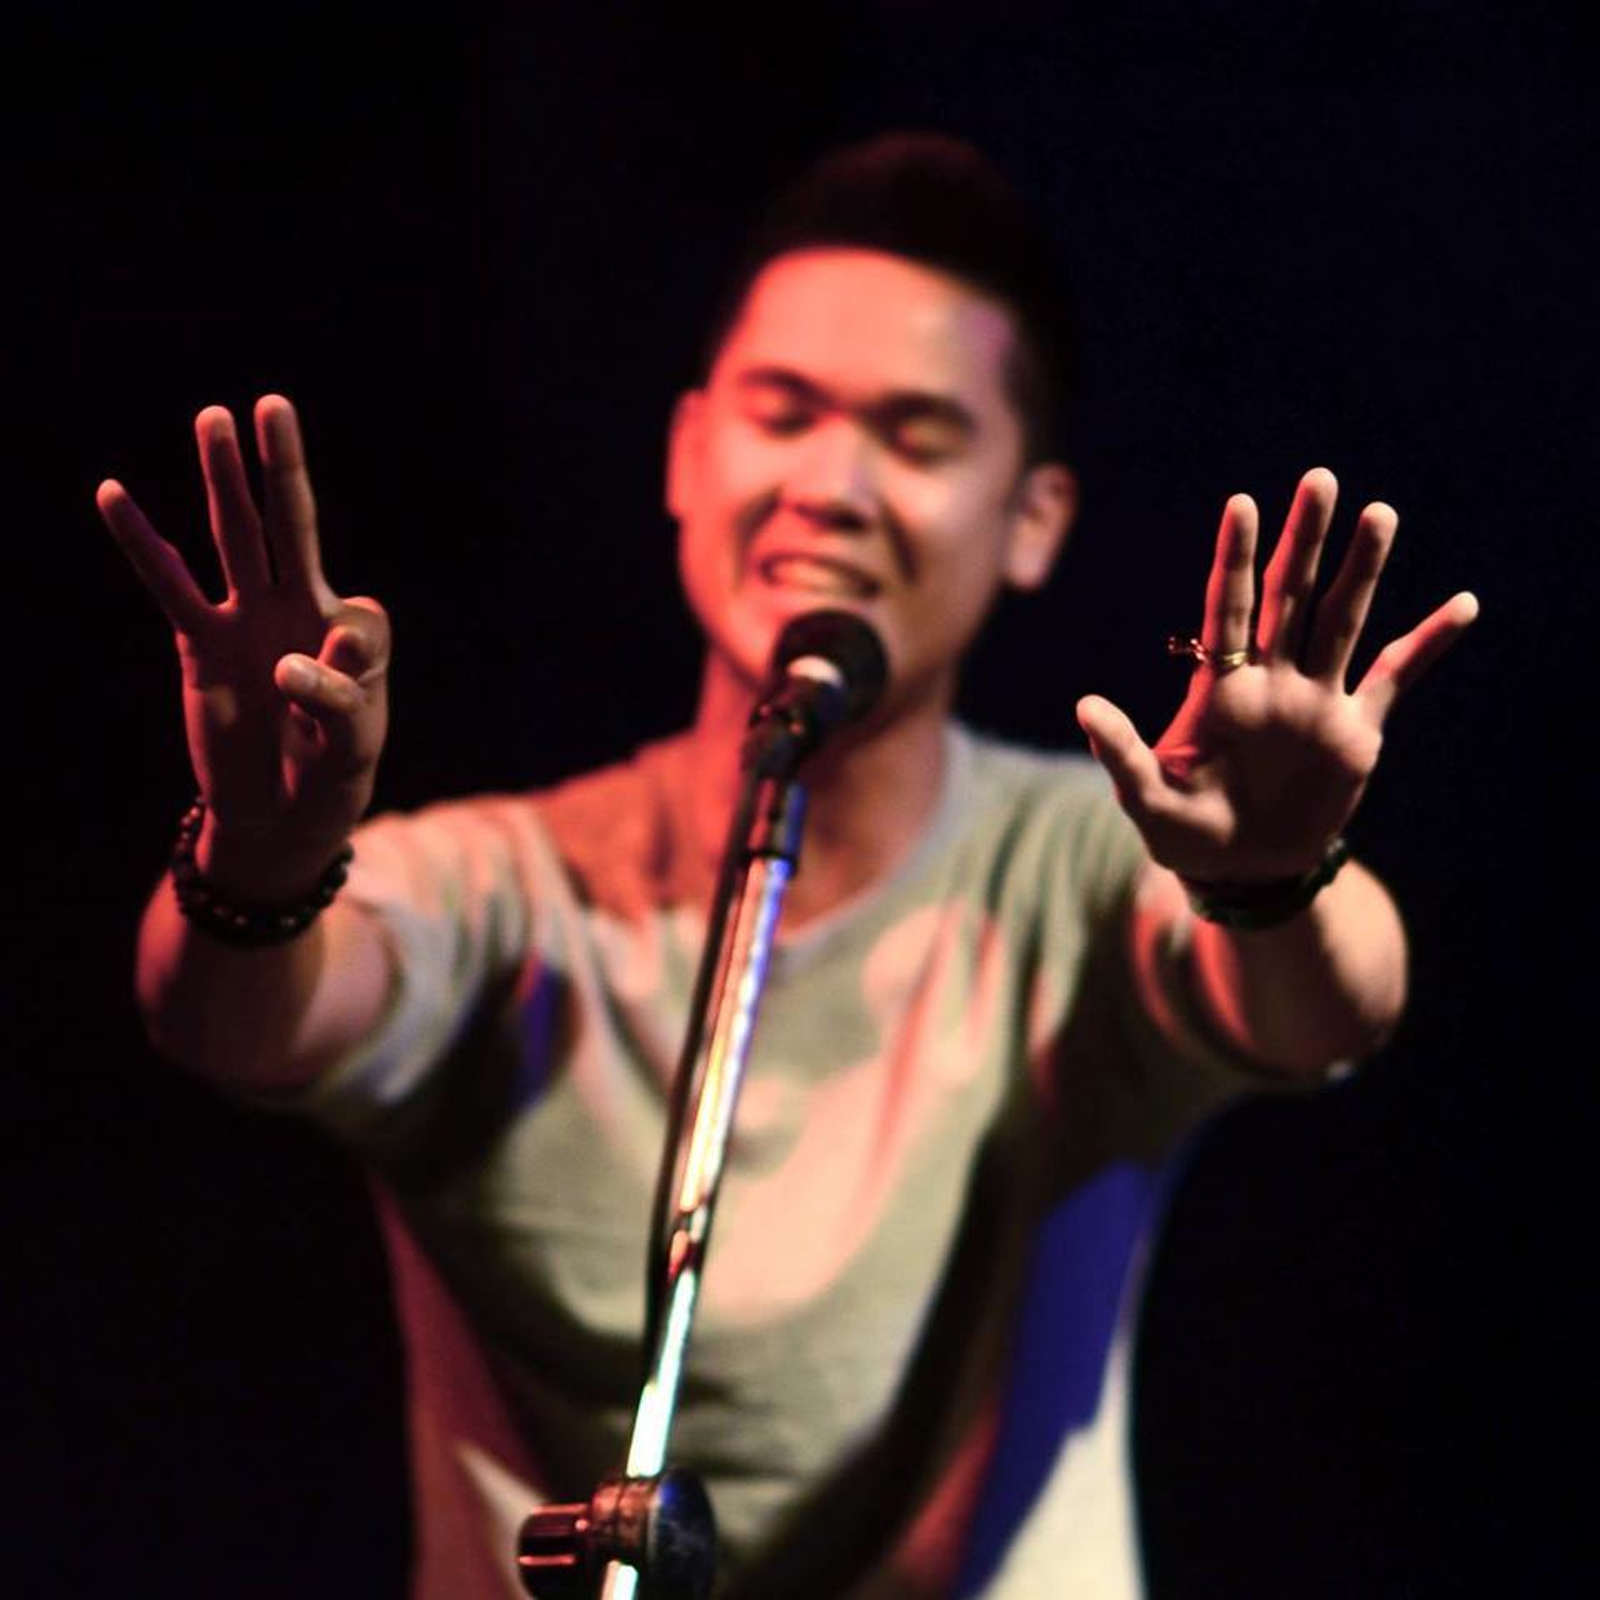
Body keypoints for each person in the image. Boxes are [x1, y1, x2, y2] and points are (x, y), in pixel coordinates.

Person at [97, 134, 1477, 1598]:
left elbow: (1331, 1002)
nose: (832, 484)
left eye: (917, 437)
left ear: (1033, 521)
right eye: (784, 413)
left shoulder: (1081, 863)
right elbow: (233, 1013)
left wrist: (1269, 879)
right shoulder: (509, 887)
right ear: (688, 454)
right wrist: (261, 860)